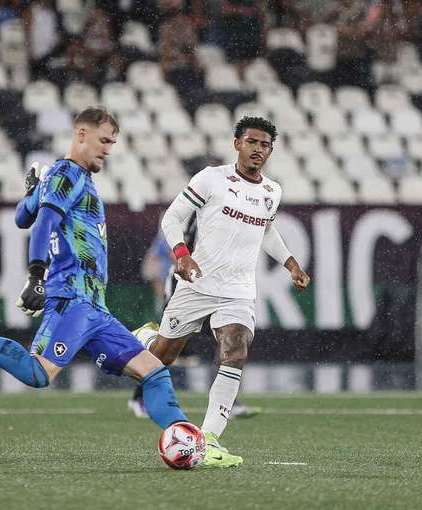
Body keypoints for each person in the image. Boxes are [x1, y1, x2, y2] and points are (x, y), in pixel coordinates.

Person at [0, 106, 193, 439]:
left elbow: (22, 218)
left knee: (154, 371)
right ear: (81, 135)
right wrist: (36, 275)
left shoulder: (66, 177)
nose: (109, 150)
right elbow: (43, 223)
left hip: (96, 308)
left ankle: (189, 440)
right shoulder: (67, 173)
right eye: (104, 141)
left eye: (112, 143)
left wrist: (31, 194)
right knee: (38, 374)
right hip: (72, 298)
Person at [129, 116, 311, 467]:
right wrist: (181, 255)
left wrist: (291, 264)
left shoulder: (272, 192)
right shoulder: (211, 178)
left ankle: (209, 438)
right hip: (197, 282)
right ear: (237, 143)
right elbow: (171, 218)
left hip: (239, 289)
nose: (257, 149)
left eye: (264, 144)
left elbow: (267, 231)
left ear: (271, 150)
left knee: (236, 349)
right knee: (162, 358)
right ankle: (148, 339)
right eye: (251, 142)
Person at [130, 217, 262, 421]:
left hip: (222, 287)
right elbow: (176, 245)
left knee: (228, 341)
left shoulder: (235, 210)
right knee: (167, 348)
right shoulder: (198, 209)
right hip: (189, 285)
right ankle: (140, 395)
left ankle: (226, 401)